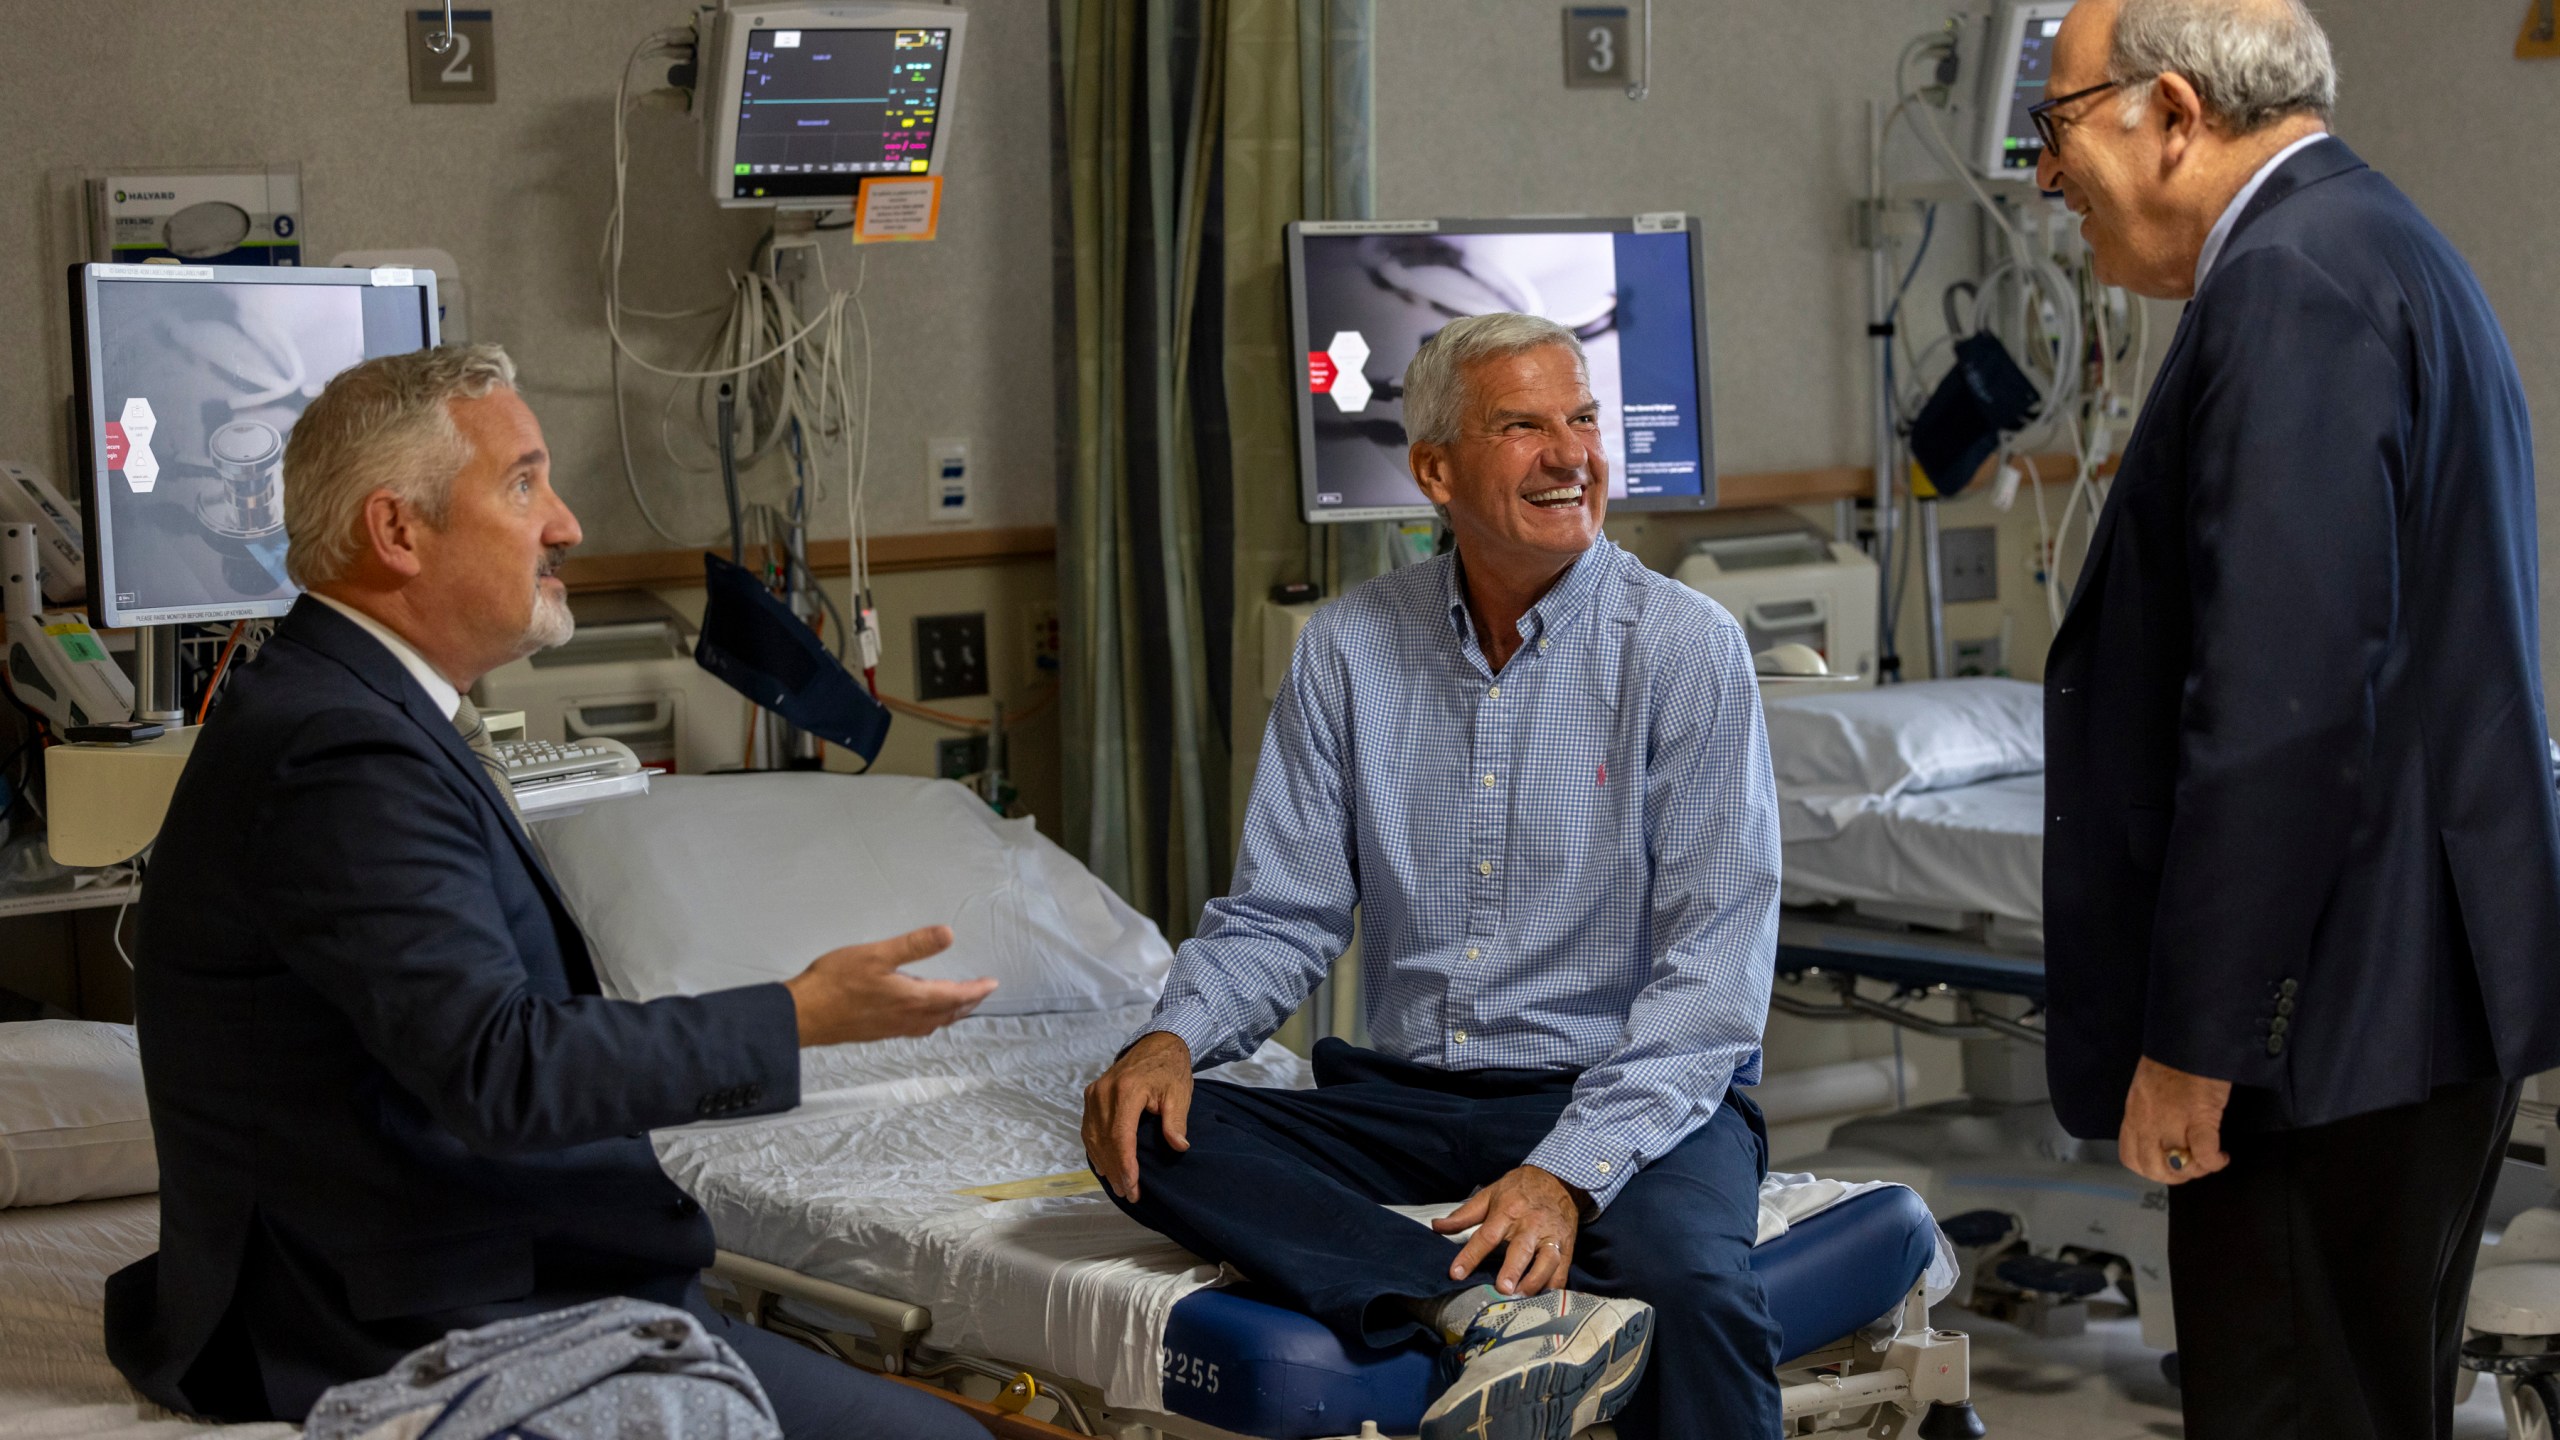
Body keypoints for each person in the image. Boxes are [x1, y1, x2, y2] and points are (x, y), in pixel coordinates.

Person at [105, 344, 998, 1439]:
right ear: (398, 532)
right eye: (522, 482)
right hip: (412, 1314)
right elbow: (501, 1068)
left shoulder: (347, 709)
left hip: (478, 1265)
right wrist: (799, 1015)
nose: (566, 523)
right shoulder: (337, 754)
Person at [1082, 312, 1785, 1440]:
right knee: (1154, 1132)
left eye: (1584, 420)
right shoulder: (1349, 647)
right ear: (1435, 471)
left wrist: (1566, 1172)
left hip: (1624, 1088)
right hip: (1407, 1102)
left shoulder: (1683, 646)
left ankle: (1462, 1282)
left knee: (1691, 1291)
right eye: (1524, 426)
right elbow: (1282, 913)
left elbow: (1713, 972)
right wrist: (1170, 1038)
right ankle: (1464, 1305)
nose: (1573, 455)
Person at [2034, 2, 2560, 1436]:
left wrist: (2202, 1040)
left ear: (2174, 112)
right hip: (2399, 996)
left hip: (2326, 1021)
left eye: (2058, 124)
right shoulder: (2380, 243)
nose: (2044, 175)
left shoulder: (2290, 286)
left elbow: (2284, 706)